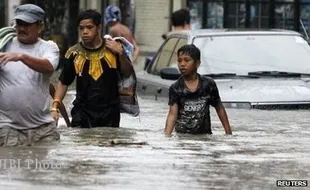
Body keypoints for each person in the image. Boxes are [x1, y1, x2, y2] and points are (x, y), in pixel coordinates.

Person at [51, 9, 134, 128]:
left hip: (110, 113)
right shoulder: (74, 53)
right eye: (81, 28)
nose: (85, 32)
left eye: (89, 28)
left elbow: (127, 73)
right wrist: (55, 106)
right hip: (82, 111)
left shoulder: (114, 49)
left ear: (99, 28)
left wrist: (121, 54)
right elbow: (64, 82)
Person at [0, 4, 61, 146]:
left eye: (27, 24)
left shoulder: (49, 47)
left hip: (43, 128)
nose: (21, 28)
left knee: (47, 166)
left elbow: (48, 66)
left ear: (40, 27)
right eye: (19, 24)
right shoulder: (4, 46)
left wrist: (21, 57)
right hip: (8, 127)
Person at [164, 44, 232, 136]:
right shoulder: (176, 88)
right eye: (179, 61)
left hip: (204, 136)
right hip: (183, 137)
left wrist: (229, 134)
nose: (182, 64)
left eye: (187, 60)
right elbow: (172, 115)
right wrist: (166, 136)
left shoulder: (208, 85)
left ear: (197, 63)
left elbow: (219, 108)